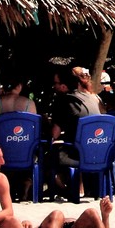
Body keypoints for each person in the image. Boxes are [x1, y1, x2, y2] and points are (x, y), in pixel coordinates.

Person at [45, 66, 98, 197]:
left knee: (46, 157)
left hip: (79, 156)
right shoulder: (91, 97)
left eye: (56, 83)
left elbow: (54, 134)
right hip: (99, 153)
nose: (54, 86)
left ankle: (63, 189)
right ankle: (75, 187)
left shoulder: (64, 100)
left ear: (64, 86)